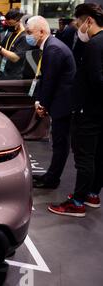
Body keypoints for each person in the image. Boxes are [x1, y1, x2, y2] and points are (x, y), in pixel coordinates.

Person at [49, 3, 103, 217]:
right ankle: (91, 194)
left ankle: (78, 202)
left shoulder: (94, 45)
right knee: (99, 154)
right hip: (98, 109)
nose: (78, 27)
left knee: (85, 156)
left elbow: (97, 79)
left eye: (79, 23)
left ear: (88, 21)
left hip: (88, 110)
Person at [24, 16, 76, 189]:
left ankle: (53, 179)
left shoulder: (53, 49)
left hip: (63, 103)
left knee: (60, 144)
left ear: (41, 31)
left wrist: (42, 105)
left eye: (29, 32)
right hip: (61, 101)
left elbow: (50, 81)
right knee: (59, 143)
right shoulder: (50, 46)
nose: (27, 35)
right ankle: (51, 176)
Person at [0, 9, 33, 80]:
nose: (9, 26)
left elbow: (15, 58)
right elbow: (2, 52)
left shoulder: (25, 37)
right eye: (7, 23)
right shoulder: (9, 34)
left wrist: (0, 48)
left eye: (11, 24)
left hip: (15, 76)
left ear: (19, 21)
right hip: (3, 71)